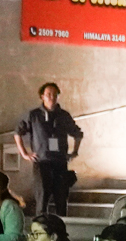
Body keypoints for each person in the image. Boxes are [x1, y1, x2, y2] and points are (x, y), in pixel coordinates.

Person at [14, 82, 84, 220]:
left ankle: (62, 228)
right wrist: (24, 154)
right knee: (42, 197)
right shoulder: (34, 115)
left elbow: (77, 133)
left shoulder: (63, 115)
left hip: (60, 162)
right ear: (42, 96)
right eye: (48, 94)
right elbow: (18, 133)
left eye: (55, 94)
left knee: (61, 198)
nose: (52, 97)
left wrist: (75, 151)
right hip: (42, 162)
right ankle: (40, 226)